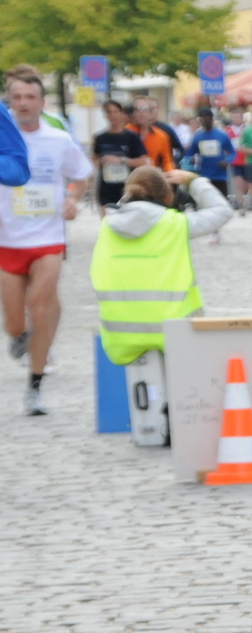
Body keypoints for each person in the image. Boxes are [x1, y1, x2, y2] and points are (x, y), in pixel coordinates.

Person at [1, 70, 91, 414]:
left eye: (30, 97)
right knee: (14, 323)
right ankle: (18, 334)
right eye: (17, 97)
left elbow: (81, 174)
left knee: (40, 306)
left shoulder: (58, 140)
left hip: (48, 237)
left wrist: (72, 199)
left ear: (41, 102)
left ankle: (34, 389)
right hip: (7, 240)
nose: (23, 103)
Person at [91, 166, 233, 367]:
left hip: (121, 339)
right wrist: (192, 180)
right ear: (168, 196)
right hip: (176, 334)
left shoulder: (107, 227)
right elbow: (222, 211)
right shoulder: (176, 224)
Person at [92, 100, 148, 216]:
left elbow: (144, 161)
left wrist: (121, 161)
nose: (112, 115)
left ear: (122, 114)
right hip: (106, 188)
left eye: (115, 112)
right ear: (105, 115)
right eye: (109, 112)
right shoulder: (100, 138)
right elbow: (94, 159)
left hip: (127, 188)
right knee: (107, 224)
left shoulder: (131, 137)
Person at [188, 109, 236, 208]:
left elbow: (232, 152)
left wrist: (227, 161)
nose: (205, 121)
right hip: (204, 175)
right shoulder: (197, 136)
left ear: (212, 119)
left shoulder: (222, 135)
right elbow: (190, 153)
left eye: (207, 118)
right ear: (200, 121)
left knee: (222, 204)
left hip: (220, 176)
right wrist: (191, 159)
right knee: (205, 204)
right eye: (202, 119)